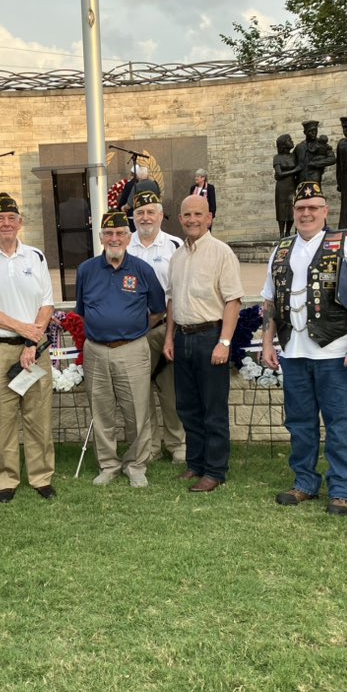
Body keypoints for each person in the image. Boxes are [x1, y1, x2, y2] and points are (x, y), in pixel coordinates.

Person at [261, 181, 347, 516]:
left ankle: (341, 489)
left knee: (338, 422)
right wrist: (267, 342)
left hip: (334, 349)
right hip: (294, 351)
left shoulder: (346, 243)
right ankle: (305, 482)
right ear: (294, 213)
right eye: (300, 209)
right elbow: (269, 300)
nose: (306, 213)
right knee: (299, 421)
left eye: (313, 208)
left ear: (325, 212)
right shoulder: (281, 248)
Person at [0, 192, 56, 503]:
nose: (6, 223)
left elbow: (47, 304)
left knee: (38, 415)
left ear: (20, 222)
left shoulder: (36, 257)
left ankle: (41, 476)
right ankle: (6, 481)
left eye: (11, 218)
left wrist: (31, 340)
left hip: (35, 349)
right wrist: (21, 329)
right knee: (2, 418)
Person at [76, 211, 166, 488]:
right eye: (109, 234)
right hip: (96, 350)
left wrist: (132, 327)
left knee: (137, 411)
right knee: (101, 411)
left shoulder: (142, 270)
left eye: (120, 234)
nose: (114, 238)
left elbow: (158, 310)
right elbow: (82, 310)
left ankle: (136, 465)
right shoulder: (86, 270)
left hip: (132, 349)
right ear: (101, 238)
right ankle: (108, 464)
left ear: (129, 238)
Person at [163, 194, 243, 493]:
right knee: (188, 407)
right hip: (183, 338)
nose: (192, 220)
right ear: (180, 218)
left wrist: (224, 342)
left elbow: (233, 301)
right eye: (187, 215)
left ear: (209, 218)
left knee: (213, 409)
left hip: (211, 336)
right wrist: (169, 337)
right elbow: (171, 301)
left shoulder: (222, 253)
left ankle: (215, 470)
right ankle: (195, 463)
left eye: (198, 214)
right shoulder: (178, 256)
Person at [127, 190, 186, 463]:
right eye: (140, 212)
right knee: (140, 394)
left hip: (164, 328)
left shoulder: (175, 246)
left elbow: (178, 292)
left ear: (161, 215)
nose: (145, 217)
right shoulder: (124, 246)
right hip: (132, 334)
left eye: (151, 211)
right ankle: (149, 447)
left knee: (171, 390)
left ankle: (177, 444)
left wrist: (172, 333)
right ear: (133, 217)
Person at [273, 134, 300, 236]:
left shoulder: (294, 156)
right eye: (289, 140)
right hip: (282, 187)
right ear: (284, 144)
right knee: (281, 209)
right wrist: (295, 170)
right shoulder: (277, 158)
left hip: (292, 185)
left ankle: (288, 231)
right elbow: (279, 174)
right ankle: (281, 233)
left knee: (291, 209)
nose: (292, 142)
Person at [294, 120, 336, 185]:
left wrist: (316, 163)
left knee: (316, 195)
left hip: (315, 178)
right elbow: (293, 161)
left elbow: (332, 159)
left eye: (315, 130)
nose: (313, 133)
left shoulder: (322, 144)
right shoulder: (299, 147)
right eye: (310, 131)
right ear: (305, 132)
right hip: (301, 180)